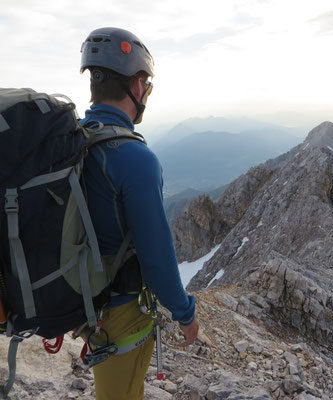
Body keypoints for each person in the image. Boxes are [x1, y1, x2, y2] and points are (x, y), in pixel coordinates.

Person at [79, 27, 199, 399]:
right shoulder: (135, 158)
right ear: (137, 83)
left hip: (83, 300)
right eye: (146, 84)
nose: (146, 92)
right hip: (119, 313)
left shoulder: (74, 140)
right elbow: (158, 259)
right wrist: (187, 316)